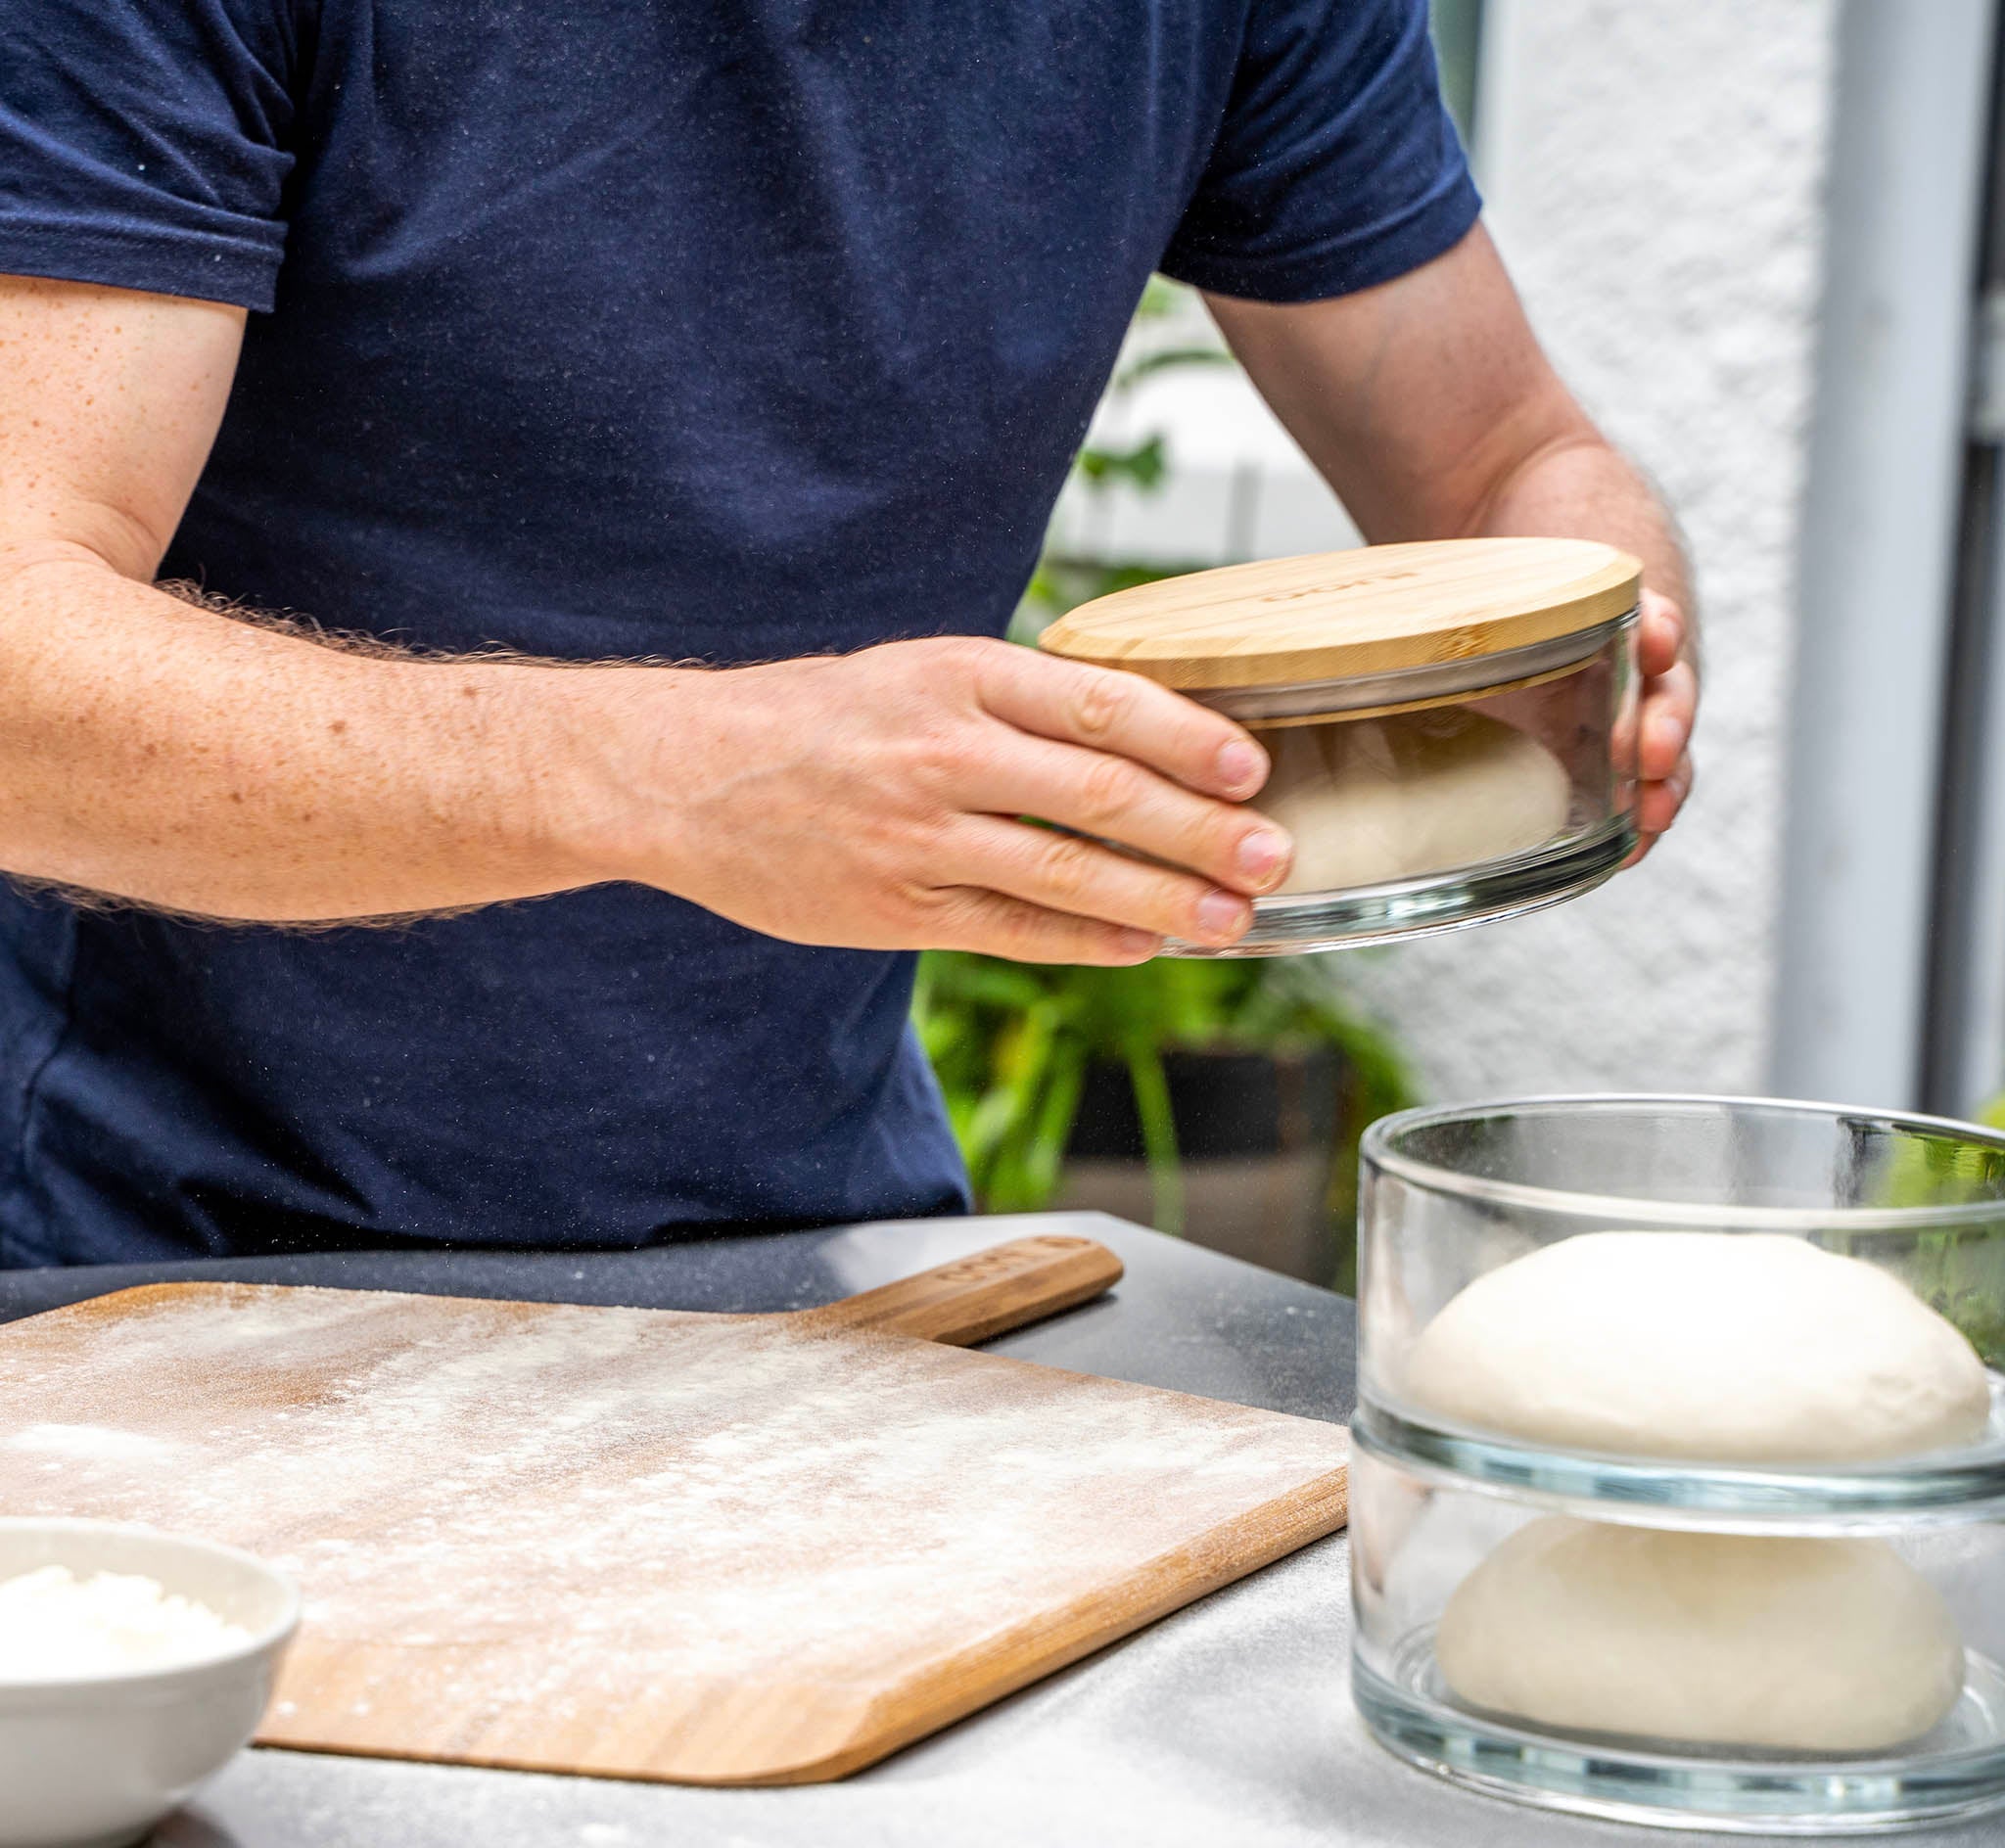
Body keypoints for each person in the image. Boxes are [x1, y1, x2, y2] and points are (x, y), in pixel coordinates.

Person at [0, 0, 1696, 1266]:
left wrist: (1595, 632)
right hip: (128, 1260)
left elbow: (1501, 458)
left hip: (826, 1256)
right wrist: (673, 783)